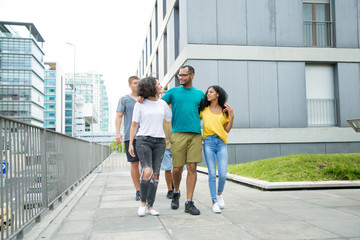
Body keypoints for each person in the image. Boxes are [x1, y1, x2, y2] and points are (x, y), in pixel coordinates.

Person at [162, 65, 204, 215]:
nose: (180, 78)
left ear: (192, 75)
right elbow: (159, 105)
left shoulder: (199, 94)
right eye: (179, 75)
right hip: (178, 134)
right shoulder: (172, 92)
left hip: (195, 135)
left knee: (192, 167)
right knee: (177, 168)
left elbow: (205, 112)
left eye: (184, 75)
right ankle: (176, 191)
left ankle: (189, 202)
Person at [129, 77, 172, 217]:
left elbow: (169, 118)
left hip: (160, 141)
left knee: (155, 174)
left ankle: (150, 206)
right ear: (150, 87)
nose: (160, 85)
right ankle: (142, 203)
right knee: (147, 171)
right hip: (143, 140)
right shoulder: (140, 104)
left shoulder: (163, 104)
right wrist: (130, 143)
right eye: (158, 84)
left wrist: (168, 102)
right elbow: (134, 124)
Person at [199, 85, 234, 213]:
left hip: (221, 143)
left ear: (217, 94)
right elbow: (194, 118)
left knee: (223, 174)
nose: (208, 94)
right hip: (208, 142)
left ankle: (219, 194)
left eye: (211, 92)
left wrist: (232, 116)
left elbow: (227, 130)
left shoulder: (224, 111)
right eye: (207, 92)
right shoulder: (204, 110)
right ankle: (214, 201)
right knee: (212, 174)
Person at [115, 76, 141, 201]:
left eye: (139, 83)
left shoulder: (145, 99)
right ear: (130, 85)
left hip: (146, 136)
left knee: (147, 165)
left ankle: (146, 187)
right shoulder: (124, 99)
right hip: (130, 137)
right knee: (134, 163)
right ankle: (138, 190)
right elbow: (119, 116)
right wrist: (117, 133)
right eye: (135, 83)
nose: (138, 85)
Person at [161, 119, 174, 199]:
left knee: (178, 168)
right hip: (164, 143)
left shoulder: (177, 108)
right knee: (167, 168)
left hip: (177, 141)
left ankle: (174, 184)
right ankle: (170, 189)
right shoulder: (161, 109)